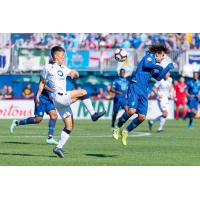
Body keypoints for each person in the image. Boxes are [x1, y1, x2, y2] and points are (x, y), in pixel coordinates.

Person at [36, 46, 105, 158]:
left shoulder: (63, 68)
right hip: (58, 96)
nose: (64, 57)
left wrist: (74, 72)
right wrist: (38, 96)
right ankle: (93, 114)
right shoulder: (47, 67)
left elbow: (74, 73)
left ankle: (58, 147)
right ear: (56, 56)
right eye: (62, 55)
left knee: (69, 126)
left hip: (60, 101)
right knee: (83, 92)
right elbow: (42, 83)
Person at [113, 44, 174, 145]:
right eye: (163, 56)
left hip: (144, 91)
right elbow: (146, 65)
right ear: (157, 54)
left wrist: (167, 68)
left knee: (142, 117)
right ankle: (117, 128)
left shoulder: (154, 65)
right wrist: (159, 66)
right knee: (131, 111)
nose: (163, 58)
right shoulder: (149, 56)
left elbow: (158, 77)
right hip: (135, 86)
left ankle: (126, 132)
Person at [10, 74, 59, 145]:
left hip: (48, 99)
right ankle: (17, 122)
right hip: (41, 98)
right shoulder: (47, 71)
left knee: (54, 115)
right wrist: (52, 90)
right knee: (38, 120)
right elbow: (43, 85)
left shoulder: (58, 73)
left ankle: (50, 138)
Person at [110, 68, 129, 132]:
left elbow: (127, 90)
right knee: (115, 112)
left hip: (124, 99)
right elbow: (111, 89)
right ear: (119, 73)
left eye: (124, 72)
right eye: (122, 72)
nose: (123, 73)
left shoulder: (127, 81)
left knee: (127, 111)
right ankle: (112, 125)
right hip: (117, 98)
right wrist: (117, 92)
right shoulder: (116, 80)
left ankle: (121, 120)